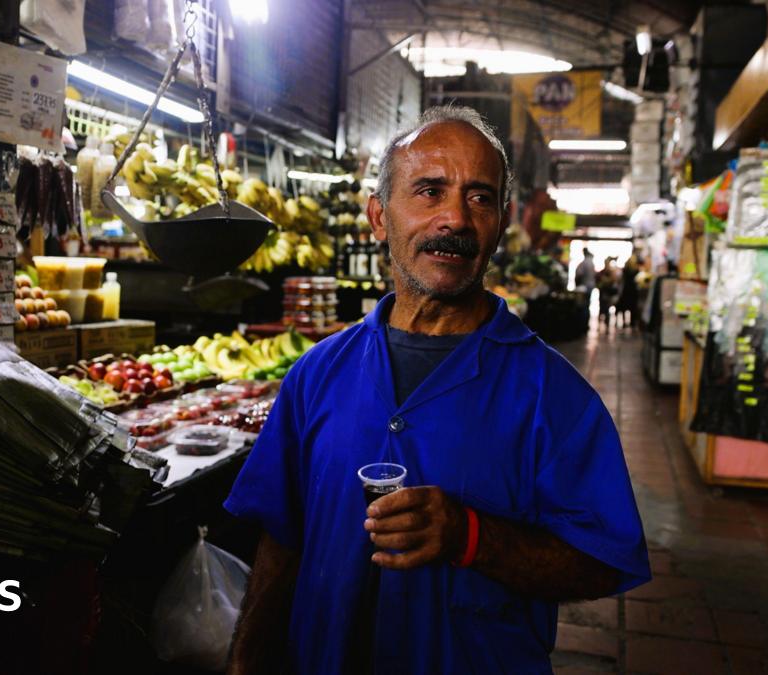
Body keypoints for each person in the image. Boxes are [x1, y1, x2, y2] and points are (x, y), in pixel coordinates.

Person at [224, 105, 650, 675]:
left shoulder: (556, 397)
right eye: (429, 191)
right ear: (379, 216)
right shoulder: (316, 373)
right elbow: (281, 535)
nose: (455, 217)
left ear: (499, 223)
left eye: (480, 197)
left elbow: (601, 562)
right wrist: (245, 660)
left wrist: (470, 537)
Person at [618, 252, 641, 328]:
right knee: (631, 307)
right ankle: (631, 322)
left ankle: (626, 322)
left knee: (626, 307)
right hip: (632, 290)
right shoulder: (635, 270)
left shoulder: (626, 270)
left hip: (627, 290)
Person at [598, 256, 620, 330]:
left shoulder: (611, 272)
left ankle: (607, 325)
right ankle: (600, 324)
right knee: (602, 309)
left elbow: (614, 281)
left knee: (607, 310)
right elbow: (599, 282)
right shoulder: (602, 272)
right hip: (603, 293)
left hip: (608, 293)